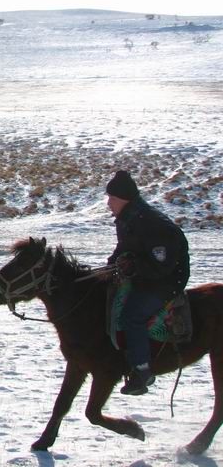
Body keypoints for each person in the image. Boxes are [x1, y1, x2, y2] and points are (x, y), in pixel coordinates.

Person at [105, 170, 190, 396]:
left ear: (123, 199)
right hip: (145, 275)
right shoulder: (127, 219)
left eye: (111, 199)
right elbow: (124, 248)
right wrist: (110, 266)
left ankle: (142, 370)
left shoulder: (154, 225)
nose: (108, 204)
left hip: (167, 280)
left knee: (132, 315)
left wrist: (133, 268)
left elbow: (162, 266)